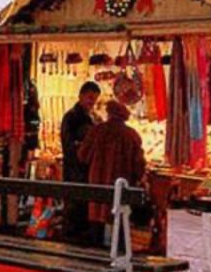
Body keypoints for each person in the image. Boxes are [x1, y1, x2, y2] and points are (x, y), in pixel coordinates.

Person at [78, 100, 146, 246]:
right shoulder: (131, 135)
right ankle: (120, 252)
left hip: (98, 181)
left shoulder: (96, 131)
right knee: (120, 220)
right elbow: (139, 165)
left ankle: (95, 251)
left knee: (96, 219)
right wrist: (141, 178)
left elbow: (83, 156)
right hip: (121, 184)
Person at [60, 81, 101, 241]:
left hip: (86, 170)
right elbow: (68, 145)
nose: (92, 102)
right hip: (75, 170)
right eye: (90, 98)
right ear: (81, 96)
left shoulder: (93, 118)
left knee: (83, 206)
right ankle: (71, 236)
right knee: (74, 205)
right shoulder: (71, 117)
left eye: (95, 99)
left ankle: (80, 236)